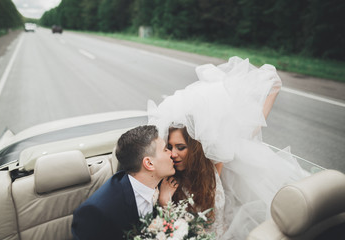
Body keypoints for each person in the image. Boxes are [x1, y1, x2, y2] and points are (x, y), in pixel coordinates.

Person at [148, 56, 308, 239]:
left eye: (181, 147)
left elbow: (248, 131)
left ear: (195, 149)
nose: (173, 154)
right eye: (169, 147)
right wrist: (164, 201)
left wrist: (272, 90)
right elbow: (173, 233)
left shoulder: (213, 166)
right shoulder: (168, 183)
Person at [71, 125, 175, 240]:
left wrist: (165, 204)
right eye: (166, 149)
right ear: (149, 163)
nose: (172, 153)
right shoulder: (97, 212)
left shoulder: (162, 185)